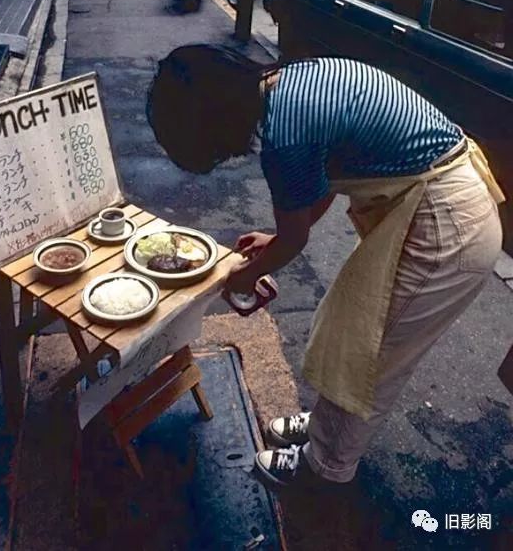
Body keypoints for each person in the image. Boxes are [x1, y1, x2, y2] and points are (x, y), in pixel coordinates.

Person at [146, 46, 504, 491]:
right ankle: (324, 429)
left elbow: (296, 239)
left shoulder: (284, 137)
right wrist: (273, 243)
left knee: (370, 357)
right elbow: (325, 184)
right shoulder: (292, 83)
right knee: (353, 331)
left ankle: (325, 468)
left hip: (446, 225)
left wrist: (236, 277)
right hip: (444, 202)